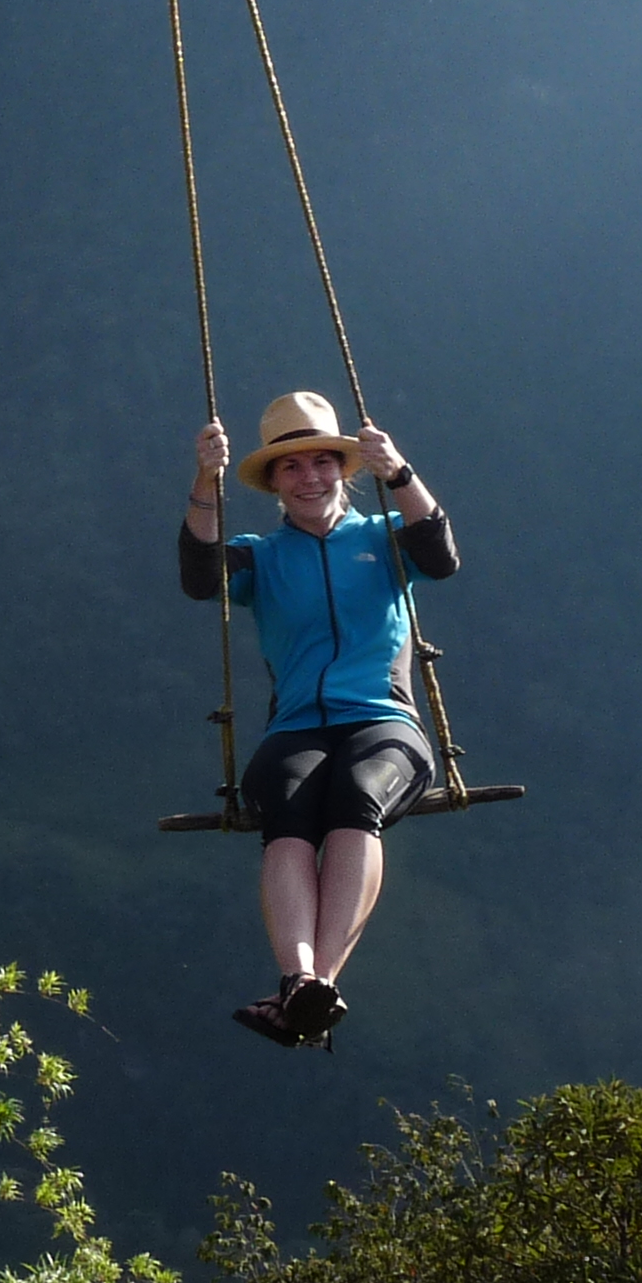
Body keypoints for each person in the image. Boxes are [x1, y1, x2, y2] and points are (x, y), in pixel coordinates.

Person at [182, 389, 460, 1046]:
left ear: (342, 468)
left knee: (356, 796)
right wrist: (204, 479)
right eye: (291, 467)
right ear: (275, 482)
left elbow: (441, 557)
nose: (309, 478)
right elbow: (200, 577)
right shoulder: (261, 555)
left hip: (386, 722)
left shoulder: (386, 538)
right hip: (298, 727)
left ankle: (316, 982)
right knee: (286, 804)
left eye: (321, 463)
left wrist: (398, 471)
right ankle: (298, 978)